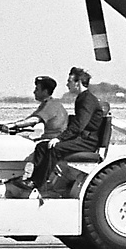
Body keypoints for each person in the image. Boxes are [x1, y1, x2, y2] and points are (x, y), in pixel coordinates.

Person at [30, 67, 108, 196]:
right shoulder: (82, 98)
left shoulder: (87, 99)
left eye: (69, 81)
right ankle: (35, 181)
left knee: (53, 148)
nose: (67, 84)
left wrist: (60, 138)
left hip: (87, 141)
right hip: (82, 139)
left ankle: (39, 185)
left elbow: (79, 126)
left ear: (77, 83)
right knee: (41, 146)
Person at [0, 76, 67, 191]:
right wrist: (14, 127)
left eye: (37, 89)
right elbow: (30, 120)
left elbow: (34, 120)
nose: (34, 91)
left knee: (28, 147)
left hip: (54, 139)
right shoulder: (46, 104)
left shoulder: (52, 105)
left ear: (45, 91)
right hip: (48, 137)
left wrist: (12, 125)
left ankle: (33, 182)